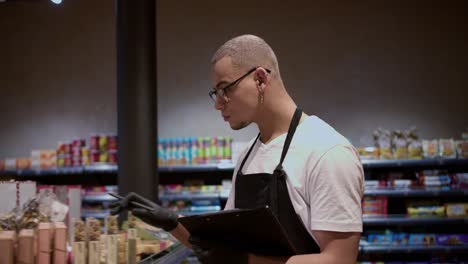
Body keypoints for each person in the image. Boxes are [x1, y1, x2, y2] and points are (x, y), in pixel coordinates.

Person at [111, 34, 364, 264]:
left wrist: (248, 261)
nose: (218, 104)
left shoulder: (327, 152)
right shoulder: (247, 157)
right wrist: (171, 223)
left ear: (260, 79)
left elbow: (339, 259)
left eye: (225, 89)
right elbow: (221, 249)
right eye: (215, 93)